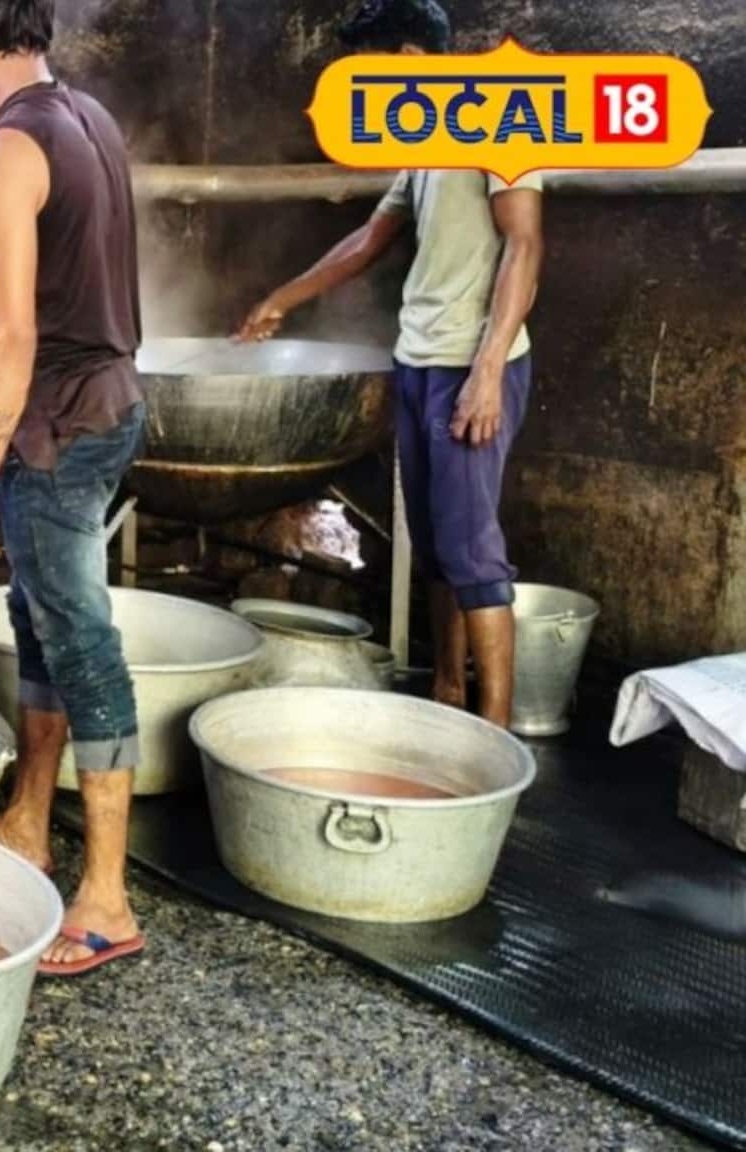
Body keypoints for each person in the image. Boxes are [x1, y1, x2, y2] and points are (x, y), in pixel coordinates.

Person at [235, 0, 544, 729]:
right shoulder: (425, 138)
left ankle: (496, 736)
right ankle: (448, 693)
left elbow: (525, 245)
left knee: (471, 551)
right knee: (436, 546)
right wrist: (282, 299)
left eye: (366, 76)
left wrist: (487, 371)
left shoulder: (501, 119)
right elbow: (370, 238)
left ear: (406, 61)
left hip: (472, 367)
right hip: (421, 362)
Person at [0, 0, 146, 976]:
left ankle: (106, 900)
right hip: (108, 402)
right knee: (42, 620)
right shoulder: (85, 117)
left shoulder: (6, 149)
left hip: (57, 425)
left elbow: (20, 335)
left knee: (82, 645)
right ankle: (26, 818)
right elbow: (48, 268)